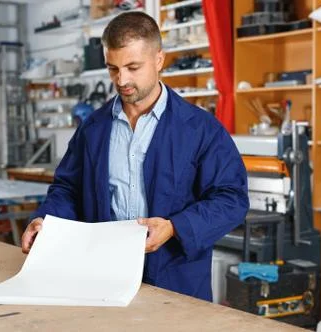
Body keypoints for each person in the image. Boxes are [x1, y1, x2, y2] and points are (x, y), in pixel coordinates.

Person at [21, 11, 249, 302]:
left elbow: (232, 198)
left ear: (158, 60)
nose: (122, 79)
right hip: (101, 276)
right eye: (113, 68)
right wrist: (44, 222)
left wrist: (175, 227)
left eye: (132, 67)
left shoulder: (200, 129)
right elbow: (67, 188)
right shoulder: (93, 128)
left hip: (175, 282)